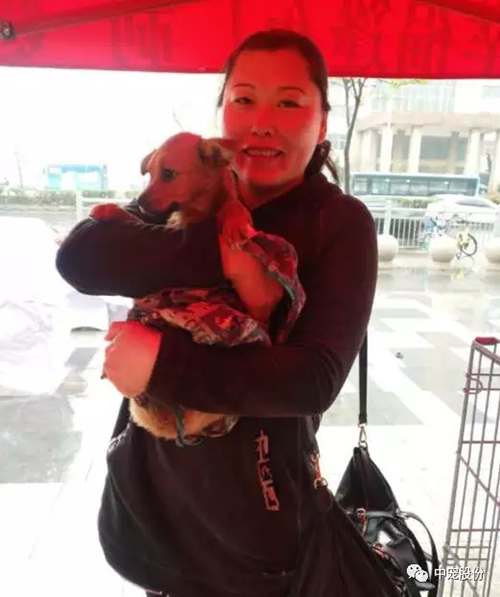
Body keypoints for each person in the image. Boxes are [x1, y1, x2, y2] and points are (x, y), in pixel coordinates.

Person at [56, 29, 378, 597]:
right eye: (244, 98)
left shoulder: (338, 222)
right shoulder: (184, 189)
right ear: (221, 114)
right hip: (151, 516)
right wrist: (224, 253)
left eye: (289, 103)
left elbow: (313, 379)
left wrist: (161, 365)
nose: (261, 123)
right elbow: (80, 256)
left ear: (323, 123)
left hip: (253, 535)